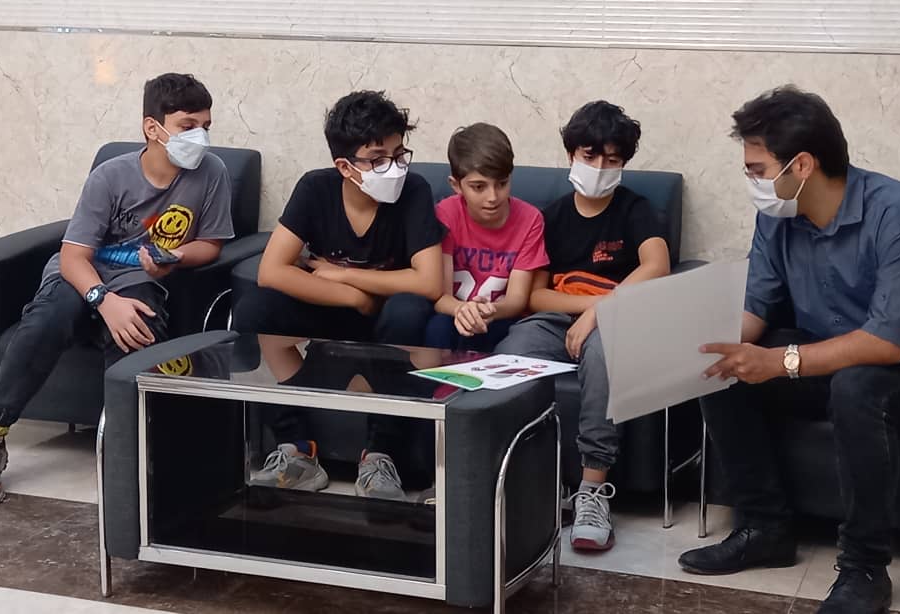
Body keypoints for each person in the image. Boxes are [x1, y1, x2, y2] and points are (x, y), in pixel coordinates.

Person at [677, 86, 900, 614]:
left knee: (858, 386)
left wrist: (779, 362)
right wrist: (696, 345)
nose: (752, 182)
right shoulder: (777, 216)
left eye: (758, 170)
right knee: (725, 364)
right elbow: (757, 307)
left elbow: (887, 342)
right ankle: (764, 528)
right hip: (830, 351)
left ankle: (864, 569)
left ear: (802, 165)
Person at [0, 73, 235, 509]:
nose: (199, 137)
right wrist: (103, 301)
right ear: (153, 128)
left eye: (206, 126)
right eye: (188, 126)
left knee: (139, 332)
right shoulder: (111, 176)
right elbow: (73, 257)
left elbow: (212, 244)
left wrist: (177, 257)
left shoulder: (212, 173)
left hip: (140, 282)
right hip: (82, 276)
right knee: (48, 319)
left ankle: (128, 453)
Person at [232, 90, 442, 500]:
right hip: (335, 307)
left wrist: (345, 274)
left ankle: (380, 455)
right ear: (345, 166)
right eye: (378, 159)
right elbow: (271, 271)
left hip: (388, 315)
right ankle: (297, 449)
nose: (394, 168)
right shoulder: (315, 188)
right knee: (254, 309)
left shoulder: (414, 190)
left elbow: (429, 282)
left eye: (400, 154)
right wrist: (352, 296)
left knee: (410, 312)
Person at [495, 100, 671, 552]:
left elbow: (657, 266)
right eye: (590, 156)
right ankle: (527, 480)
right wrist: (588, 306)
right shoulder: (551, 216)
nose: (599, 168)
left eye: (612, 160)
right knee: (511, 353)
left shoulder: (636, 209)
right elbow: (535, 296)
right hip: (556, 320)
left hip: (619, 321)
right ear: (571, 153)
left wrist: (599, 313)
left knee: (603, 350)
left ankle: (593, 491)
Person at [424, 123, 549, 352]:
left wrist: (489, 311)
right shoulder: (446, 214)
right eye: (479, 187)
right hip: (453, 313)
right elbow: (440, 296)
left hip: (501, 317)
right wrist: (462, 310)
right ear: (456, 185)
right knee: (438, 327)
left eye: (502, 184)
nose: (493, 197)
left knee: (515, 334)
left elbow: (517, 300)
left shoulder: (531, 219)